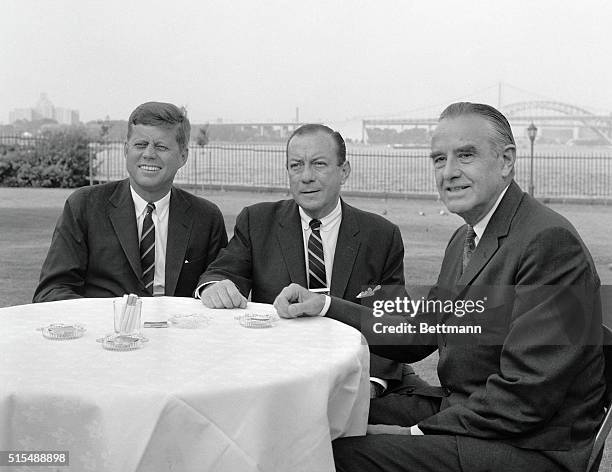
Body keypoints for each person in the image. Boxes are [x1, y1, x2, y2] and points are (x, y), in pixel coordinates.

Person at [274, 103, 606, 472]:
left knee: (330, 455)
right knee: (318, 415)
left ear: (507, 160)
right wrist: (325, 306)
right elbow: (420, 332)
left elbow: (525, 398)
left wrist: (415, 434)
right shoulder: (464, 240)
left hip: (531, 447)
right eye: (438, 159)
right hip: (473, 412)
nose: (448, 172)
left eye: (465, 155)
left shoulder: (549, 243)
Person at [197, 123, 415, 396]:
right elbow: (221, 273)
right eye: (296, 166)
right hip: (275, 377)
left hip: (353, 376)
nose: (306, 177)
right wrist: (214, 286)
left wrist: (371, 384)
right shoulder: (258, 222)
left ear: (344, 171)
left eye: (319, 164)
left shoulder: (381, 235)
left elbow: (390, 321)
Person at [33, 101, 227, 301]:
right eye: (140, 145)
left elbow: (217, 282)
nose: (149, 154)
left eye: (161, 147)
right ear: (126, 149)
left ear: (183, 156)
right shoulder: (85, 206)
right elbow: (52, 290)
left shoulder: (206, 218)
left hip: (177, 329)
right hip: (104, 327)